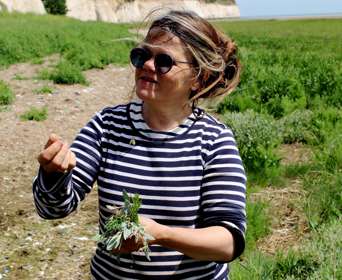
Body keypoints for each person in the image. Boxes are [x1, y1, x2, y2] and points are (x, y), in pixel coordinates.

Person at [33, 10, 246, 280]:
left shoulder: (214, 141)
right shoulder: (107, 126)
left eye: (164, 61)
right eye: (141, 55)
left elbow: (228, 242)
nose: (147, 65)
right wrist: (54, 175)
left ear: (198, 78)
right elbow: (53, 209)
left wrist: (159, 234)